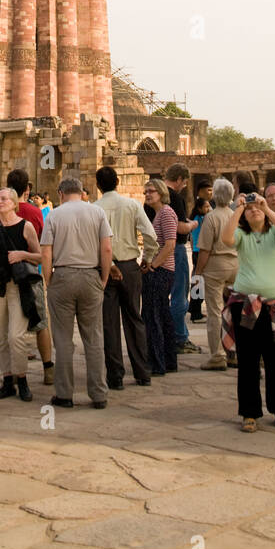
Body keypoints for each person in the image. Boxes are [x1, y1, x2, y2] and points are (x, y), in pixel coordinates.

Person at [220, 191, 275, 431]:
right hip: (247, 306)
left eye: (257, 209)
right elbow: (226, 238)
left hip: (274, 305)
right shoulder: (242, 236)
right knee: (248, 362)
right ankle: (249, 412)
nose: (255, 211)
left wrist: (267, 208)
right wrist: (239, 208)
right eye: (250, 210)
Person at [39, 176, 112, 408]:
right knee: (94, 338)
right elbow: (107, 248)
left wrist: (49, 280)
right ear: (81, 192)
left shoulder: (54, 215)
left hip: (62, 276)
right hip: (91, 274)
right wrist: (104, 277)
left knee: (62, 339)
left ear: (60, 193)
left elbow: (46, 253)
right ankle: (99, 394)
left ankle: (64, 393)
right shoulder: (97, 213)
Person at [95, 165, 158, 389]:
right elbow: (150, 235)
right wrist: (147, 259)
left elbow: (95, 243)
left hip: (105, 269)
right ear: (118, 183)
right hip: (131, 266)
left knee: (109, 324)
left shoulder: (94, 208)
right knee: (134, 319)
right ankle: (142, 372)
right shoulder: (131, 205)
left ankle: (115, 377)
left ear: (97, 185)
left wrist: (109, 264)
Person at [0, 187, 42, 401]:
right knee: (1, 334)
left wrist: (22, 254)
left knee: (16, 336)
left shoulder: (26, 227)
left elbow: (39, 256)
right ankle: (7, 380)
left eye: (4, 199)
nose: (0, 202)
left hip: (19, 284)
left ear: (14, 203)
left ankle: (21, 378)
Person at [0, 169, 55, 385]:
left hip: (3, 274)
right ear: (27, 188)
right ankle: (48, 367)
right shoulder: (35, 212)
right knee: (40, 323)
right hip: (30, 275)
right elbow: (43, 242)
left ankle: (10, 374)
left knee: (7, 327)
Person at [196, 178, 238, 371]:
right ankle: (235, 352)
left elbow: (204, 250)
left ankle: (217, 355)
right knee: (235, 312)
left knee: (215, 312)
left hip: (215, 265)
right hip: (236, 265)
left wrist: (198, 272)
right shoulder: (236, 216)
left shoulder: (211, 218)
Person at [141, 178, 179, 377]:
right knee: (162, 315)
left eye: (152, 191)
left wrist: (153, 266)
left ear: (161, 193)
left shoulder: (165, 213)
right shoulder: (159, 214)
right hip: (162, 270)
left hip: (161, 271)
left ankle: (157, 362)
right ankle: (168, 360)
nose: (148, 194)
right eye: (146, 191)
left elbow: (170, 244)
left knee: (153, 316)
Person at [164, 164, 197, 354]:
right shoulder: (174, 197)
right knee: (179, 295)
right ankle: (179, 337)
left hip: (158, 250)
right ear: (178, 179)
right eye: (184, 182)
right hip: (175, 248)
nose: (184, 186)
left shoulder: (154, 195)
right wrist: (193, 224)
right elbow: (179, 227)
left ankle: (167, 336)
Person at [188, 196, 210, 322]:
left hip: (196, 252)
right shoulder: (201, 220)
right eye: (206, 206)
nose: (208, 209)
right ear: (199, 208)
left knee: (197, 280)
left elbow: (191, 238)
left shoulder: (196, 219)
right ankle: (195, 313)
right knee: (199, 282)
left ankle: (195, 310)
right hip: (200, 252)